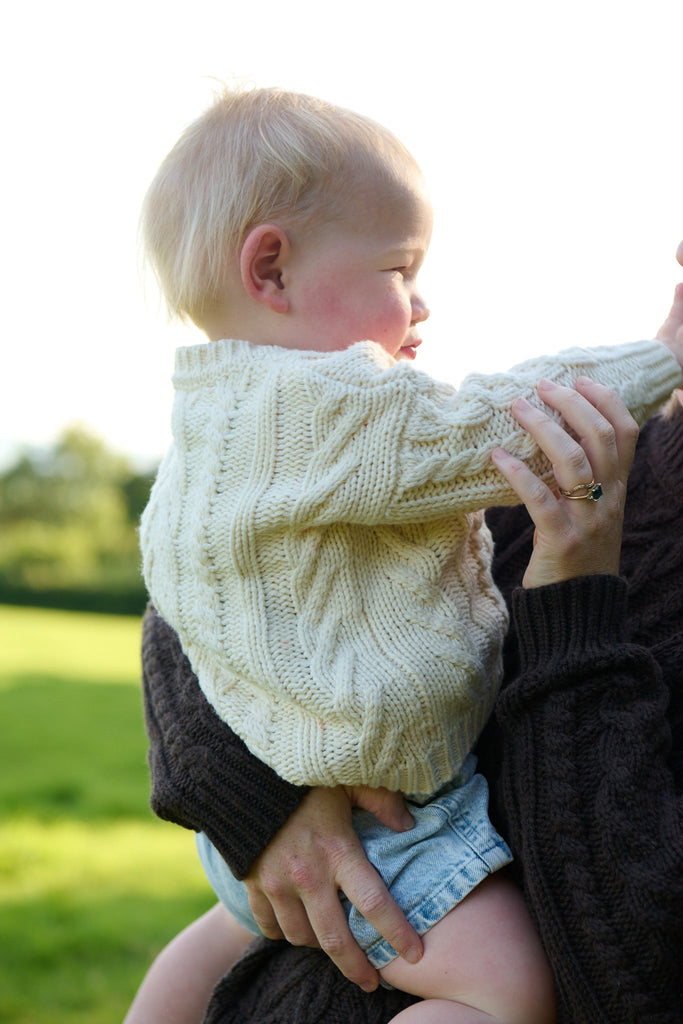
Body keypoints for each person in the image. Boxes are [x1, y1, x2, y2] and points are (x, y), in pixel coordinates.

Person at [131, 80, 683, 1023]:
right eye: (399, 270)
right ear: (269, 267)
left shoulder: (216, 419)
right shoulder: (343, 414)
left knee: (225, 935)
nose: (420, 304)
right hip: (389, 818)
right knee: (500, 991)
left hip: (341, 834)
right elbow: (186, 621)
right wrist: (261, 804)